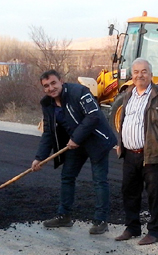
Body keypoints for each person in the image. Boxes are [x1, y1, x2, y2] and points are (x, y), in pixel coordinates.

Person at [32, 70, 116, 234]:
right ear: (43, 89)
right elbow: (48, 132)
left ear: (61, 81)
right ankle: (64, 216)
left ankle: (101, 221)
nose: (51, 88)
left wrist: (76, 138)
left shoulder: (80, 92)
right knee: (67, 176)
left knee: (99, 180)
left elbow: (93, 116)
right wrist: (39, 157)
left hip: (96, 140)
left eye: (53, 83)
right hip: (75, 144)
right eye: (46, 86)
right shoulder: (47, 104)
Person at [113, 58, 158, 245]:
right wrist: (121, 142)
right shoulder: (128, 94)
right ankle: (132, 227)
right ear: (132, 75)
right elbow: (124, 120)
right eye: (136, 72)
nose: (139, 75)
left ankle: (154, 231)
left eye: (144, 71)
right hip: (129, 154)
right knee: (129, 192)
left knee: (155, 194)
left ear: (151, 75)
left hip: (153, 154)